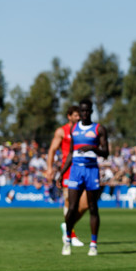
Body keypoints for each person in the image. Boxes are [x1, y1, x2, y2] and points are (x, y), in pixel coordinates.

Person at [58, 99, 109, 256]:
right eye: (82, 111)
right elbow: (71, 154)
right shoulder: (74, 129)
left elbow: (106, 153)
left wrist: (93, 148)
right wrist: (61, 173)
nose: (85, 113)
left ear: (91, 112)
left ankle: (93, 244)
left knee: (93, 208)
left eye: (88, 111)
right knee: (72, 208)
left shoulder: (99, 129)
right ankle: (67, 240)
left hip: (91, 170)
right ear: (79, 113)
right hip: (76, 170)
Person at [45, 105, 87, 247]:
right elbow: (52, 150)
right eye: (75, 115)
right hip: (68, 170)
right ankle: (71, 234)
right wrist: (50, 168)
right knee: (69, 202)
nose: (78, 117)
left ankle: (67, 225)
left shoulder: (84, 130)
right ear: (69, 116)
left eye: (79, 115)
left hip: (84, 169)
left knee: (86, 203)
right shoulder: (61, 131)